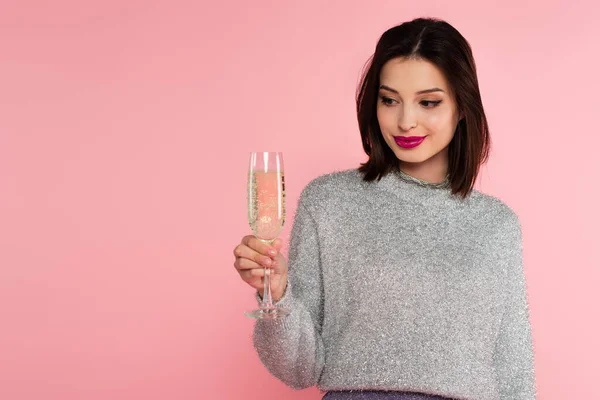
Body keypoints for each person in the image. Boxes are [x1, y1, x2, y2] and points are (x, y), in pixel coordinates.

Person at [233, 17, 536, 400]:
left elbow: (513, 373)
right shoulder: (329, 202)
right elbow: (299, 369)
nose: (405, 121)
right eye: (389, 100)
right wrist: (275, 293)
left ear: (462, 107)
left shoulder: (496, 225)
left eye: (428, 102)